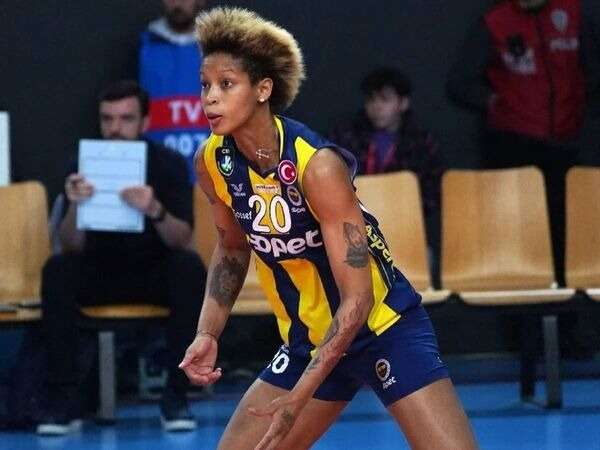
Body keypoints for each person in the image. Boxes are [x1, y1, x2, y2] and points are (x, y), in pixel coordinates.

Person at [179, 7, 478, 449]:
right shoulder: (212, 161)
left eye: (226, 84)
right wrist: (208, 332)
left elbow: (357, 299)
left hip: (382, 330)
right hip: (308, 340)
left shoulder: (317, 166)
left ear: (263, 89)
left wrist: (299, 398)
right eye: (205, 85)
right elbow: (233, 247)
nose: (210, 98)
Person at [37, 80, 206, 435]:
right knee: (57, 270)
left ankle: (177, 395)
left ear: (144, 122)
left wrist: (154, 209)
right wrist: (75, 207)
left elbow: (182, 239)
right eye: (107, 119)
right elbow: (69, 245)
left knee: (189, 268)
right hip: (99, 271)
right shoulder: (81, 164)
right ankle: (63, 400)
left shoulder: (168, 164)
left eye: (126, 119)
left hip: (152, 270)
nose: (115, 128)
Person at [446, 0, 586, 287]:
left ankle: (567, 310)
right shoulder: (495, 22)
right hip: (514, 148)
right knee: (518, 238)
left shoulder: (574, 15)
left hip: (568, 147)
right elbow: (460, 83)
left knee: (570, 240)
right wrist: (497, 102)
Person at [329, 67, 444, 287]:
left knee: (425, 260)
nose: (377, 107)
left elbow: (433, 192)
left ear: (403, 103)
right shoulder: (345, 137)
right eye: (371, 100)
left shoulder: (421, 142)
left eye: (385, 99)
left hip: (405, 232)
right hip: (356, 233)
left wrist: (400, 209)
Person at [139, 0, 211, 183]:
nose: (177, 3)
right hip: (158, 177)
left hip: (213, 176)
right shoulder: (143, 47)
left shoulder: (224, 48)